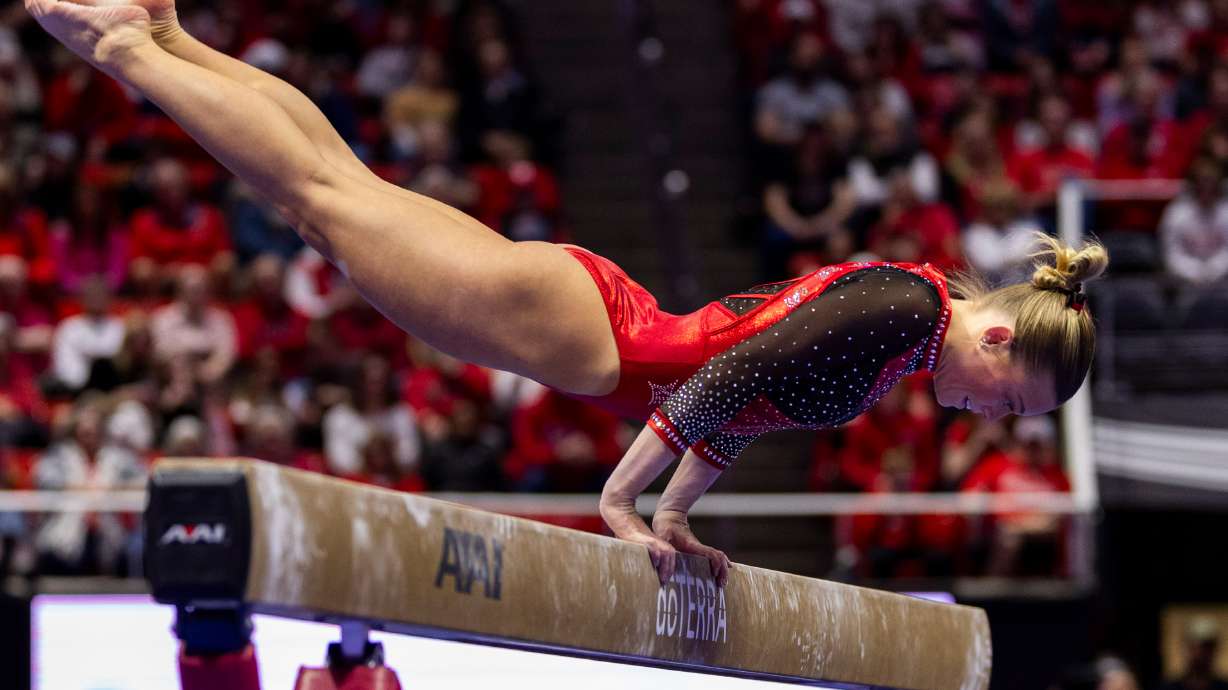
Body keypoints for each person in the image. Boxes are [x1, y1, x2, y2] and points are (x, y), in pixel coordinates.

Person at [25, 0, 1109, 586]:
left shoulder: (907, 323)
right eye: (1000, 401)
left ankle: (167, 35)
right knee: (321, 201)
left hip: (594, 319)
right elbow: (731, 378)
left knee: (341, 191)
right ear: (1001, 336)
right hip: (589, 331)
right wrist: (624, 502)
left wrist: (677, 515)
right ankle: (137, 51)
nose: (978, 417)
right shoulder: (905, 314)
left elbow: (744, 399)